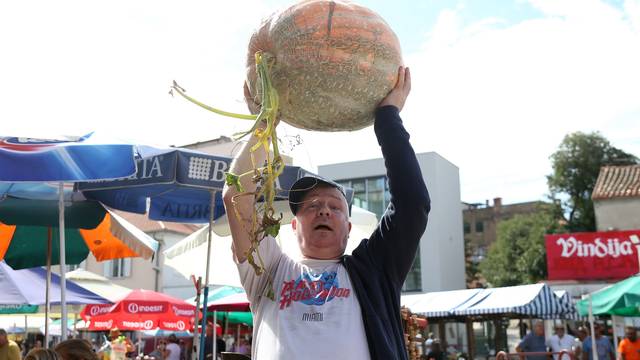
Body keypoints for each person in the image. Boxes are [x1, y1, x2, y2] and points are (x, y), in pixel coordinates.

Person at [224, 65, 429, 360]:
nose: (323, 210)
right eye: (312, 205)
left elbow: (412, 205)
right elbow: (236, 197)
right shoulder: (270, 270)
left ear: (348, 227)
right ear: (294, 226)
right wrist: (264, 126)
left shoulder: (374, 271)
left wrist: (387, 119)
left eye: (335, 207)